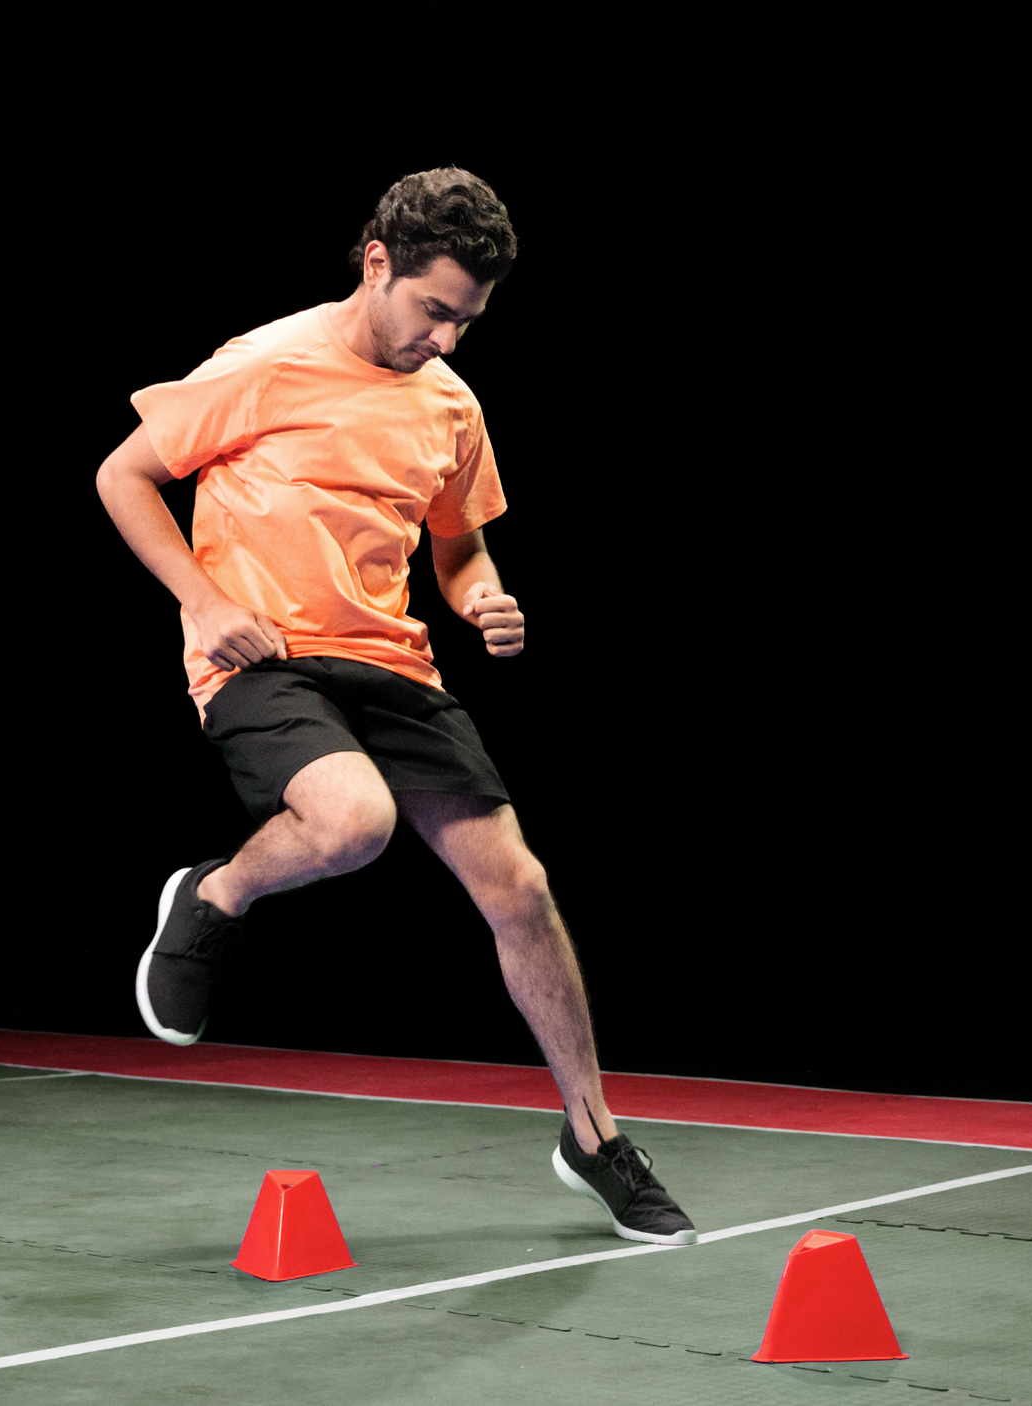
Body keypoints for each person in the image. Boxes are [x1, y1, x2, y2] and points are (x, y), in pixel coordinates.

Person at [92, 168, 695, 1247]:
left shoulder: (450, 402)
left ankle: (594, 1137)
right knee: (352, 820)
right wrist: (205, 598)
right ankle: (215, 892)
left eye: (468, 320)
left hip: (395, 666)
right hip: (265, 653)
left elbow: (460, 539)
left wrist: (482, 597)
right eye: (434, 310)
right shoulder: (264, 362)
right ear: (377, 263)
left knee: (522, 886)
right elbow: (122, 474)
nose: (449, 338)